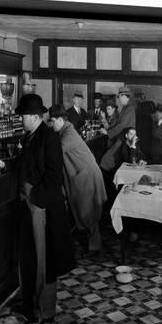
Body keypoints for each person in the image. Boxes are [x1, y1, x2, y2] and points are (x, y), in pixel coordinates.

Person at [13, 94, 75, 324]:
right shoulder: (30, 136)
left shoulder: (48, 138)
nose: (21, 120)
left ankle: (42, 311)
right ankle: (29, 303)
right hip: (29, 204)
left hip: (41, 206)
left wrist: (35, 199)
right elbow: (25, 165)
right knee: (29, 257)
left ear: (34, 116)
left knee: (42, 261)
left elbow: (54, 176)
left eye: (24, 116)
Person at [49, 105, 107, 254]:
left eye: (53, 121)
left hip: (87, 176)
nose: (51, 124)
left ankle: (95, 247)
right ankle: (91, 244)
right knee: (86, 211)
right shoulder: (64, 130)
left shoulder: (69, 134)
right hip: (82, 175)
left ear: (61, 120)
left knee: (89, 212)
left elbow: (55, 153)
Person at [99, 86, 136, 172]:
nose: (119, 100)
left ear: (124, 96)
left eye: (120, 97)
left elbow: (122, 125)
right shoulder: (126, 108)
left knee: (106, 159)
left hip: (124, 139)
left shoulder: (130, 108)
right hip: (121, 138)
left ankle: (106, 182)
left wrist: (108, 133)